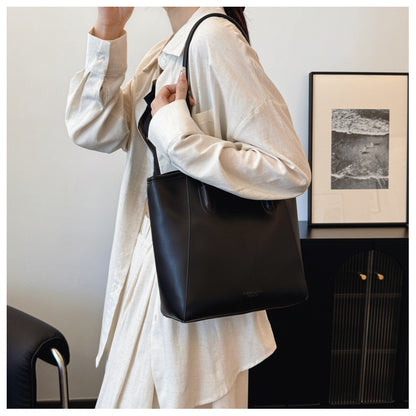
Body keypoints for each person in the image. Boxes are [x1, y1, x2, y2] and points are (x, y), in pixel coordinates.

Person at [65, 6, 311, 409]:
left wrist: (176, 134)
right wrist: (108, 29)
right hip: (160, 266)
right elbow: (94, 130)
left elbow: (289, 170)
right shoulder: (166, 50)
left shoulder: (215, 39)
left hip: (193, 269)